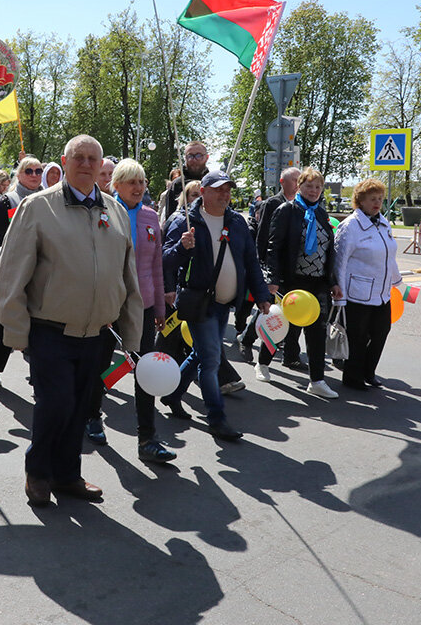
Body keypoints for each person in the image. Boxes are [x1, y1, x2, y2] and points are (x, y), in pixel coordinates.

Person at [0, 135, 142, 507]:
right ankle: (38, 473)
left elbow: (128, 277)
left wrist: (132, 334)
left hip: (97, 333)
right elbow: (11, 272)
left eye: (94, 158)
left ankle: (67, 475)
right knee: (56, 404)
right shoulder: (37, 207)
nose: (87, 164)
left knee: (80, 408)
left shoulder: (115, 211)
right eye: (79, 157)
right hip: (50, 330)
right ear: (64, 161)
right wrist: (16, 332)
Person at [159, 170, 271, 440]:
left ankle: (172, 394)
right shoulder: (184, 220)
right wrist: (182, 247)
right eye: (218, 189)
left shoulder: (236, 221)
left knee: (201, 353)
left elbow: (251, 260)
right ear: (203, 192)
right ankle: (216, 418)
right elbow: (165, 260)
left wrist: (262, 294)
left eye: (228, 190)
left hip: (225, 303)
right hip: (200, 302)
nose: (224, 194)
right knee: (210, 360)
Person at [88, 158, 177, 463]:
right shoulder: (103, 212)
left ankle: (148, 438)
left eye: (142, 182)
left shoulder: (151, 216)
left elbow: (156, 264)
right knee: (101, 364)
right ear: (116, 185)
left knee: (144, 369)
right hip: (108, 303)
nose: (138, 187)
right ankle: (92, 416)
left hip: (144, 305)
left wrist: (161, 305)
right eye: (131, 182)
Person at [264, 167, 342, 398]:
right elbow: (273, 247)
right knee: (282, 325)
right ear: (299, 187)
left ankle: (317, 380)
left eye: (318, 187)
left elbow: (328, 250)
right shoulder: (287, 210)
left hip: (318, 283)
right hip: (292, 281)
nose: (314, 191)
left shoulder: (321, 213)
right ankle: (263, 362)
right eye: (309, 186)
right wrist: (272, 279)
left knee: (317, 332)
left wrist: (333, 282)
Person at [0, 155, 44, 386]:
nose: (34, 175)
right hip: (13, 269)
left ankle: (40, 373)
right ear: (20, 174)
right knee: (6, 319)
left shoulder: (49, 200)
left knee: (42, 322)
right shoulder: (9, 200)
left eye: (38, 171)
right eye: (29, 171)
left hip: (42, 271)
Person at [332, 177, 401, 390]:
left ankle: (369, 371)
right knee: (358, 337)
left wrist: (397, 281)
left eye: (380, 198)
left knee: (382, 331)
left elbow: (390, 255)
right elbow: (339, 261)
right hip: (357, 292)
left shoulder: (384, 222)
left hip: (382, 292)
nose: (377, 203)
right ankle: (353, 377)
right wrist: (339, 294)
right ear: (360, 201)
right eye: (372, 199)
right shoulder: (350, 226)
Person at [240, 166, 301, 358]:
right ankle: (247, 339)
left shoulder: (301, 204)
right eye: (294, 180)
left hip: (293, 267)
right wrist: (262, 266)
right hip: (273, 266)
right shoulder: (272, 203)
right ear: (282, 182)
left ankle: (289, 353)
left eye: (300, 180)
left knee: (289, 309)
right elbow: (263, 236)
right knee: (268, 309)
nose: (298, 184)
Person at [162, 141, 210, 220]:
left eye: (199, 155)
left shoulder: (213, 183)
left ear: (207, 157)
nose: (194, 160)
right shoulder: (177, 185)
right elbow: (170, 217)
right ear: (185, 158)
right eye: (190, 156)